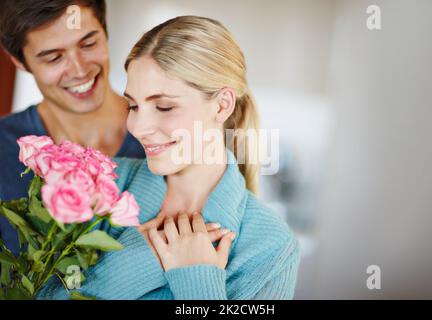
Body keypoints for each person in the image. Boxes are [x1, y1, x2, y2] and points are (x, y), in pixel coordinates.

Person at [38, 16, 300, 300]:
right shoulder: (97, 184)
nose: (137, 127)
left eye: (163, 106)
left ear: (222, 105)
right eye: (133, 105)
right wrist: (132, 262)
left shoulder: (272, 247)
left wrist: (197, 282)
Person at [0, 0, 145, 256]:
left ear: (105, 29)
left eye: (88, 44)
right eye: (54, 58)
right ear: (20, 62)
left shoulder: (173, 137)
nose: (79, 70)